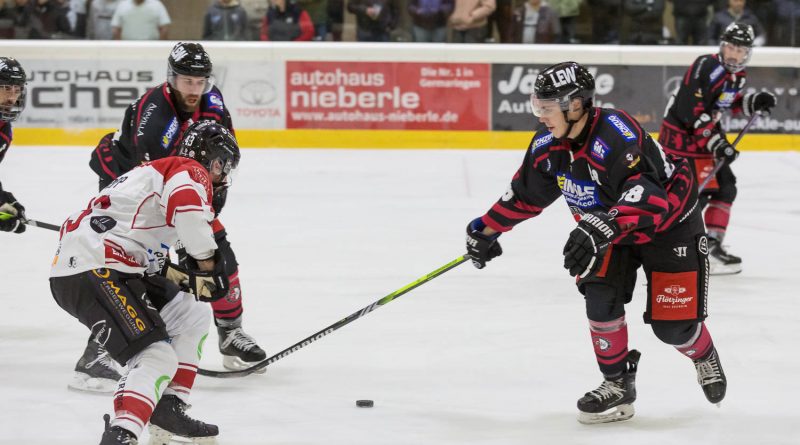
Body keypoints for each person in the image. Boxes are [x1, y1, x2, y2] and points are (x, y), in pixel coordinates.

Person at [465, 61, 728, 424]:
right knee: (599, 298)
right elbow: (525, 195)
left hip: (669, 226)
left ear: (575, 105)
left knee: (673, 328)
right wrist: (485, 230)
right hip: (608, 230)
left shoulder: (616, 134)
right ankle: (618, 384)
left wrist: (601, 225)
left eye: (546, 107)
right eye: (536, 106)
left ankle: (703, 353)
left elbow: (650, 199)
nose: (540, 115)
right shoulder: (549, 145)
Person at [81, 42, 267, 394]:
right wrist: (184, 234)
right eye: (186, 81)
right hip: (131, 186)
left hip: (178, 181)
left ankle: (230, 333)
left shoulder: (213, 102)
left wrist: (205, 218)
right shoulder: (156, 116)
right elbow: (155, 178)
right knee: (139, 268)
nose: (194, 89)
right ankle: (99, 351)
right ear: (172, 78)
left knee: (216, 252)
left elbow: (221, 161)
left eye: (200, 81)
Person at [51, 121, 238, 445]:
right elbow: (191, 220)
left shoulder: (154, 176)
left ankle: (168, 408)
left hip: (109, 264)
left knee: (190, 311)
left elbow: (152, 260)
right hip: (95, 267)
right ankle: (121, 433)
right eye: (223, 166)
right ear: (210, 160)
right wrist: (208, 264)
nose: (223, 178)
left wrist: (185, 279)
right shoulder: (189, 170)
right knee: (155, 355)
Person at [658, 23, 775, 275]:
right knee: (692, 196)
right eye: (731, 47)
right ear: (722, 45)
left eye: (741, 50)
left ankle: (710, 245)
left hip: (701, 140)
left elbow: (726, 104)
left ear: (748, 53)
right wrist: (718, 144)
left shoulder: (738, 76)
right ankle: (672, 249)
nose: (734, 54)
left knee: (725, 187)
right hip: (682, 141)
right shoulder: (706, 66)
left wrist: (753, 102)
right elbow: (691, 112)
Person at [0, 57, 28, 235]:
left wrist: (2, 198)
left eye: (17, 89)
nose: (12, 96)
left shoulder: (4, 131)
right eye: (6, 88)